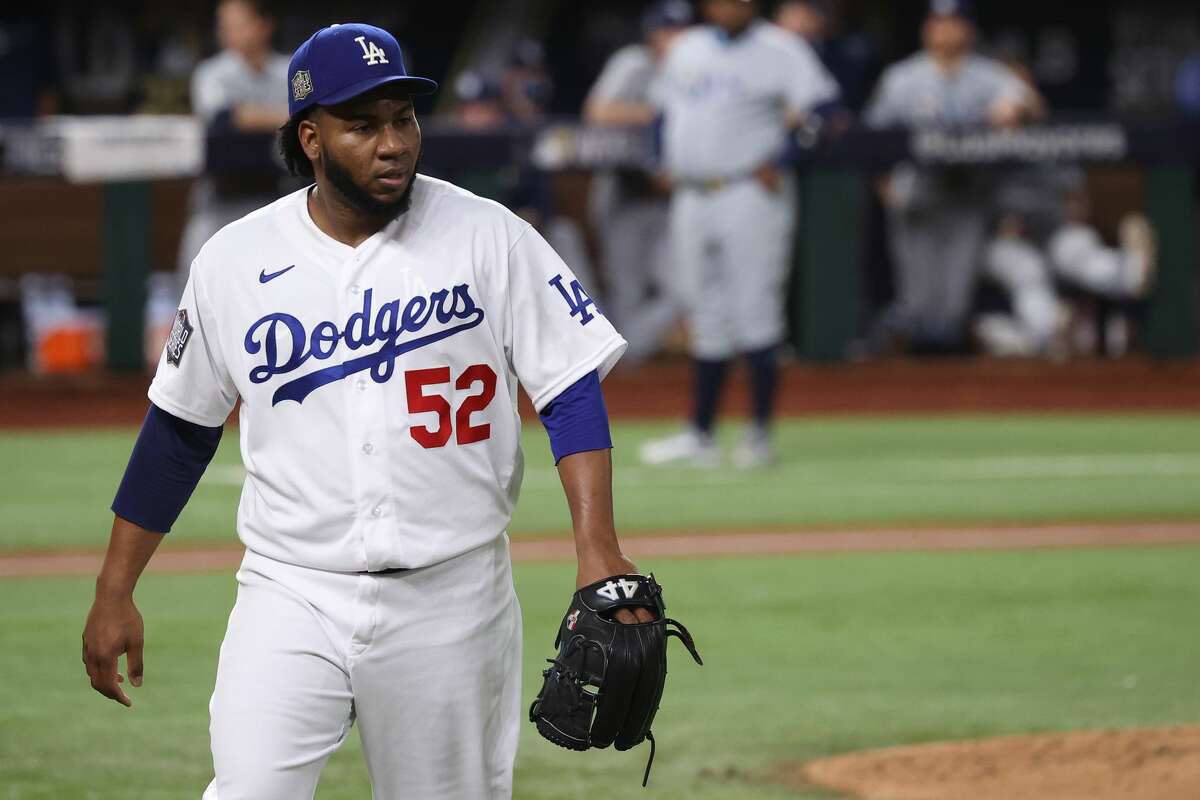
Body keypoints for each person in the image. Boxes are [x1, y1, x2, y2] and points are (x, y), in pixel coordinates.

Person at [81, 22, 650, 799]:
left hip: (452, 598)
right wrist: (116, 587)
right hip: (290, 592)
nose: (393, 144)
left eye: (403, 119)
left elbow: (570, 391)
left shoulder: (489, 236)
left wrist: (598, 546)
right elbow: (179, 432)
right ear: (310, 138)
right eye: (364, 125)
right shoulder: (234, 261)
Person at [640, 0, 838, 468]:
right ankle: (702, 434)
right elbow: (660, 113)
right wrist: (657, 161)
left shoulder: (781, 48)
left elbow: (826, 111)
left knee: (756, 308)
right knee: (703, 311)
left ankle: (758, 436)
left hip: (749, 190)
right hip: (691, 194)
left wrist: (786, 159)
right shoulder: (687, 46)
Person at [863, 0, 1040, 354]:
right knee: (917, 298)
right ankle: (912, 386)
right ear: (925, 29)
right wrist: (885, 189)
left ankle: (952, 388)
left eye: (953, 22)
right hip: (918, 193)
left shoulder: (988, 75)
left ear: (969, 30)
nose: (944, 30)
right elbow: (870, 139)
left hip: (967, 192)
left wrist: (1016, 107)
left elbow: (1032, 103)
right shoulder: (902, 78)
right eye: (937, 22)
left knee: (955, 301)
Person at [584, 0, 693, 363]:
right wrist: (660, 116)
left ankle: (622, 357)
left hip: (665, 197)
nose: (674, 39)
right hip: (622, 192)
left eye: (681, 31)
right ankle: (621, 366)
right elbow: (598, 112)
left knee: (684, 291)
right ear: (653, 35)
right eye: (668, 31)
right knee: (627, 292)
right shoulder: (634, 62)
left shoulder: (694, 70)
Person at [176, 0, 290, 281]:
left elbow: (316, 118)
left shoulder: (291, 69)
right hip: (220, 199)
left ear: (264, 25)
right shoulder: (212, 72)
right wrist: (288, 118)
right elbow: (225, 119)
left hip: (280, 196)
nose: (227, 33)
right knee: (196, 279)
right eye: (223, 26)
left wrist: (260, 119)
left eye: (238, 25)